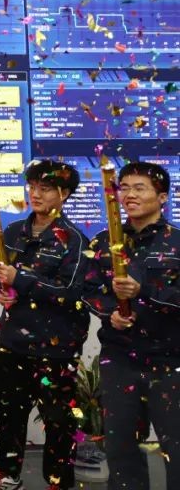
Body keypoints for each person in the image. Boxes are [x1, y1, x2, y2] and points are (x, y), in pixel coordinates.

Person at [0, 160, 89, 490]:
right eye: (32, 187)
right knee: (8, 414)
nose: (36, 195)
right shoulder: (13, 232)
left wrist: (21, 279)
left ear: (64, 194)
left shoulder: (75, 241)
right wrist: (0, 291)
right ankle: (8, 473)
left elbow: (72, 294)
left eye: (45, 189)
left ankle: (58, 481)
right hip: (12, 343)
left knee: (59, 421)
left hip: (56, 348)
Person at [84, 160, 179, 490]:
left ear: (162, 197)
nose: (129, 195)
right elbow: (89, 290)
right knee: (121, 448)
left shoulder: (176, 242)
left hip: (170, 361)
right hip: (119, 359)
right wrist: (111, 312)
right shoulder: (102, 242)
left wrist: (144, 292)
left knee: (176, 447)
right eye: (124, 188)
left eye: (140, 188)